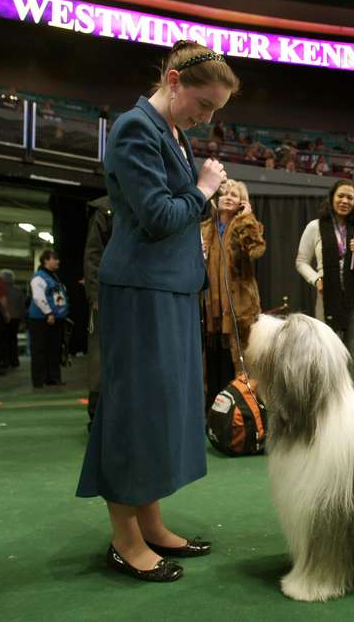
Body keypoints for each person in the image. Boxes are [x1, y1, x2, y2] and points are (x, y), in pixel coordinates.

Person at [76, 40, 239, 581]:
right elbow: (157, 215)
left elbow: (176, 210)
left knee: (160, 412)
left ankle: (150, 523)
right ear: (173, 81)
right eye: (204, 104)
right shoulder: (134, 128)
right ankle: (124, 539)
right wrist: (204, 188)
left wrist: (205, 195)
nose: (206, 117)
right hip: (139, 292)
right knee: (133, 414)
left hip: (168, 290)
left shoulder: (170, 132)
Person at [296, 179, 354, 395]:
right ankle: (329, 406)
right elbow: (301, 262)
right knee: (328, 354)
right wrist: (316, 279)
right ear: (332, 198)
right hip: (328, 297)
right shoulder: (315, 227)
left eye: (350, 197)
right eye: (341, 195)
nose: (345, 201)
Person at [201, 179, 265, 406]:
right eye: (225, 193)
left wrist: (247, 219)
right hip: (209, 310)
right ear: (215, 199)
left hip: (239, 308)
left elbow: (257, 250)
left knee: (241, 363)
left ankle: (245, 416)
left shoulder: (245, 226)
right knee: (213, 363)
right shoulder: (204, 228)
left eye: (235, 195)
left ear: (242, 202)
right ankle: (214, 414)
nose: (228, 197)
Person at [83, 195, 113, 432]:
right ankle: (96, 416)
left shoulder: (143, 200)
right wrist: (95, 294)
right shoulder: (105, 209)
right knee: (101, 356)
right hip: (106, 296)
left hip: (134, 296)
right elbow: (93, 255)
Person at [28, 250, 69, 388]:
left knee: (54, 349)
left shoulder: (53, 277)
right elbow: (38, 297)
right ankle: (39, 380)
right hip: (42, 319)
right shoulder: (39, 278)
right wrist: (48, 313)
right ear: (46, 260)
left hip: (55, 319)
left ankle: (53, 378)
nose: (58, 262)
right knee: (40, 349)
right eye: (55, 259)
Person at [0, 270, 25, 368]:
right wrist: (23, 319)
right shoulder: (18, 290)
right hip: (15, 318)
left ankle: (5, 361)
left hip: (3, 318)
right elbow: (22, 306)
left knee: (3, 340)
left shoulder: (0, 290)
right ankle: (14, 361)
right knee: (13, 339)